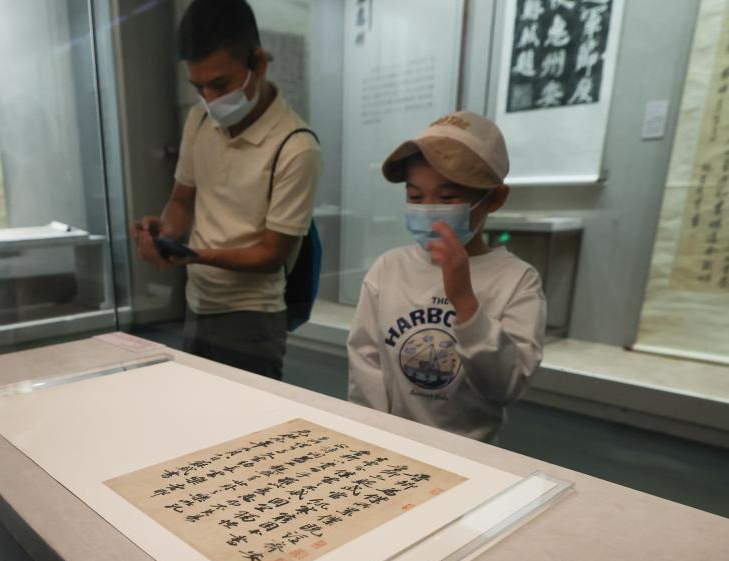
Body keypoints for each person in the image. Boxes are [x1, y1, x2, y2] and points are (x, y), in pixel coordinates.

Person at [130, 0, 321, 379]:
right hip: (197, 302)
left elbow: (271, 254)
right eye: (198, 87)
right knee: (195, 405)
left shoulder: (296, 147)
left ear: (258, 63)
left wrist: (194, 255)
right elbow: (183, 198)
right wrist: (164, 233)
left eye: (220, 84)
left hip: (253, 314)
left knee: (252, 413)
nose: (210, 99)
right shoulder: (199, 119)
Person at [347, 111, 546, 442]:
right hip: (389, 443)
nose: (428, 208)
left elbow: (506, 386)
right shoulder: (387, 268)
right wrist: (374, 436)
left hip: (470, 453)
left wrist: (464, 301)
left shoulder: (517, 280)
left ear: (494, 198)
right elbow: (365, 361)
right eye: (415, 196)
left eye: (447, 197)